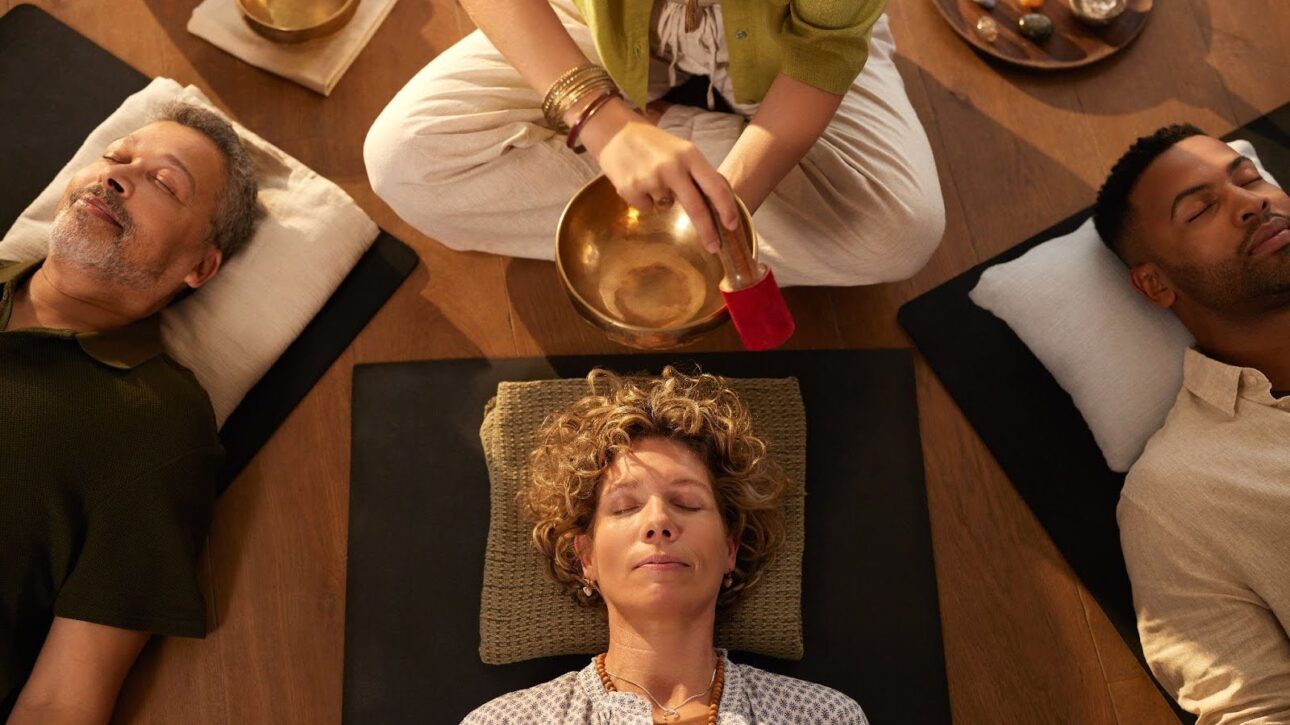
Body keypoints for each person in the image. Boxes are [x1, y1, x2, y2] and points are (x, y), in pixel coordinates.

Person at [364, 0, 944, 288]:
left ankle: (667, 165)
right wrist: (601, 120)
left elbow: (823, 49)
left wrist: (726, 209)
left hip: (792, 43)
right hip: (602, 27)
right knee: (404, 159)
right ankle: (653, 158)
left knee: (896, 235)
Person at [1, 102, 259, 723]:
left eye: (165, 184)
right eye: (117, 157)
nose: (115, 176)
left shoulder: (157, 422)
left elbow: (61, 701)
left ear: (199, 266)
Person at [463, 367, 867, 723]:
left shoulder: (824, 717)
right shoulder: (504, 722)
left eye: (687, 503)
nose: (658, 522)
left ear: (730, 549)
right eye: (625, 507)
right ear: (584, 557)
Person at [1095, 124, 1290, 723]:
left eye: (1250, 177)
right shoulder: (1176, 498)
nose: (1251, 202)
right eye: (1202, 208)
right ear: (1156, 283)